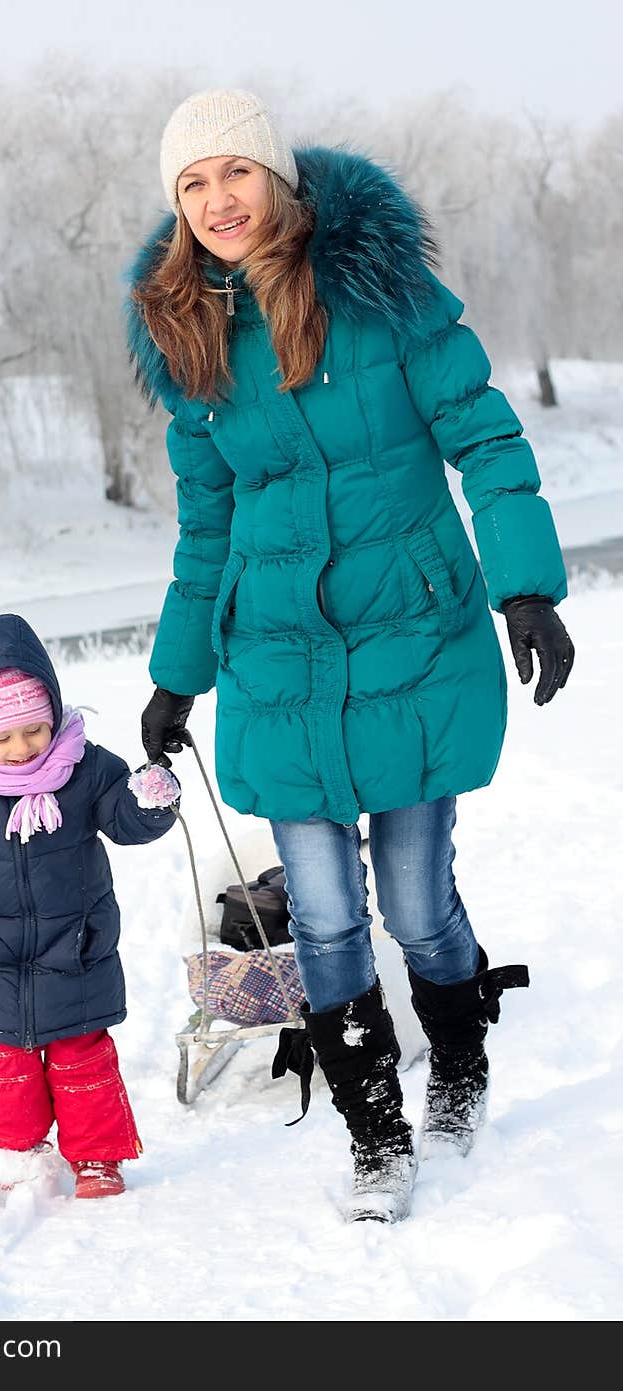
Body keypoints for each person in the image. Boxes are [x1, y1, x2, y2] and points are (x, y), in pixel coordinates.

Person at [128, 90, 575, 1223]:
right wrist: (178, 672)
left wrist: (523, 583)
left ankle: (460, 1067)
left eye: (234, 173)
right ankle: (375, 1129)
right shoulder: (192, 341)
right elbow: (206, 529)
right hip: (278, 666)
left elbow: (483, 433)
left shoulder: (384, 295)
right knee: (323, 915)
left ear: (276, 180)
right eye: (192, 184)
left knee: (419, 906)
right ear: (178, 208)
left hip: (412, 642)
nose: (217, 200)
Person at [0, 613, 180, 1198]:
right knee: (3, 1069)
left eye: (33, 729)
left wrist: (151, 798)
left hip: (74, 950)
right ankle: (14, 1154)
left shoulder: (85, 768)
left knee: (84, 1063)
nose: (19, 748)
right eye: (0, 738)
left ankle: (99, 1159)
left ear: (53, 710)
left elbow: (126, 823)